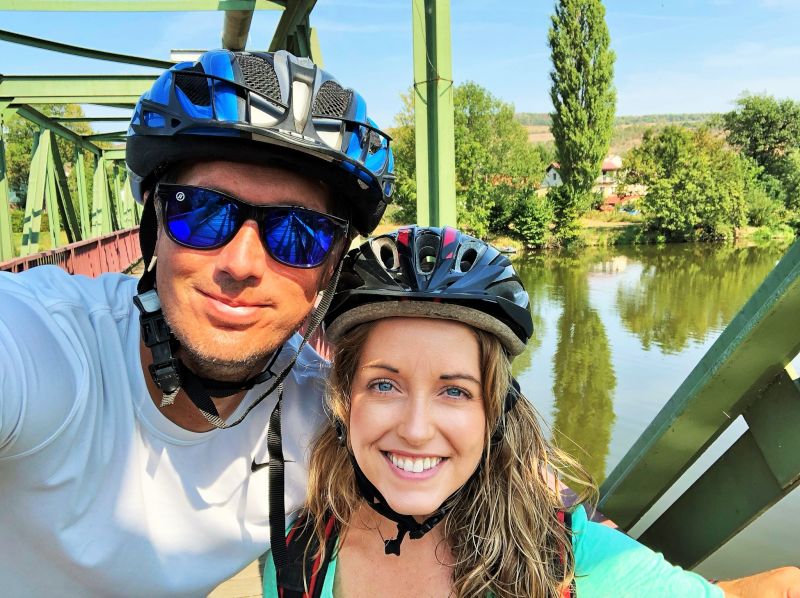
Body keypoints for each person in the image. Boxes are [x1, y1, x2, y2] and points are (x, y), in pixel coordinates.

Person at [0, 49, 393, 596]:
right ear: (154, 219)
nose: (241, 264)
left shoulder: (329, 420)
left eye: (299, 234)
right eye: (202, 212)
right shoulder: (49, 344)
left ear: (332, 265)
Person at [263, 225, 800, 598]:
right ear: (345, 399)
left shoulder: (563, 557)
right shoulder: (296, 550)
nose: (417, 429)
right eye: (384, 385)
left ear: (495, 413)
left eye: (455, 391)